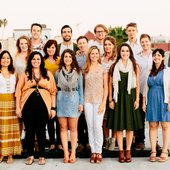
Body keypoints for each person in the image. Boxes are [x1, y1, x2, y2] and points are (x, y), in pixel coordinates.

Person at [15, 51, 56, 165]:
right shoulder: (26, 74)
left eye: (38, 59)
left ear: (41, 61)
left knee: (41, 130)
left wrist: (53, 108)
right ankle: (30, 155)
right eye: (33, 59)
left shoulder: (47, 73)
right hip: (28, 105)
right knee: (29, 131)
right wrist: (18, 108)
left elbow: (53, 92)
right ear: (30, 61)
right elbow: (18, 91)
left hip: (43, 105)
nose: (36, 61)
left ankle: (42, 155)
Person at [107, 43, 143, 163]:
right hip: (117, 98)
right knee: (118, 126)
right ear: (119, 52)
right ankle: (121, 151)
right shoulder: (113, 66)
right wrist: (110, 100)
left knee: (129, 125)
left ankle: (128, 150)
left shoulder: (134, 66)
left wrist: (137, 99)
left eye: (127, 51)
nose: (125, 53)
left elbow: (137, 84)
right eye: (122, 51)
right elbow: (110, 85)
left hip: (130, 97)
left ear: (130, 53)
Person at [55, 49, 83, 163]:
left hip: (74, 100)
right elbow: (56, 88)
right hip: (61, 100)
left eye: (69, 57)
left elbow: (81, 89)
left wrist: (81, 102)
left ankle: (73, 152)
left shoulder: (78, 72)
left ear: (73, 59)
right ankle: (66, 153)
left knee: (73, 128)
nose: (67, 59)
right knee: (63, 128)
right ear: (63, 58)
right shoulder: (57, 73)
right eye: (65, 57)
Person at [143, 48, 170, 162]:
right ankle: (153, 150)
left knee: (165, 125)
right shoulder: (149, 71)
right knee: (153, 125)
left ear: (163, 57)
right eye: (155, 55)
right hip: (152, 100)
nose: (157, 57)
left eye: (159, 55)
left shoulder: (168, 71)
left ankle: (164, 151)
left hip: (164, 100)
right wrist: (144, 102)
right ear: (152, 57)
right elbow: (145, 88)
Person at [84, 46, 108, 163]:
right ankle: (93, 151)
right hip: (88, 101)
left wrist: (104, 103)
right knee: (90, 126)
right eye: (92, 54)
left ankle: (99, 151)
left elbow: (106, 88)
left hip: (99, 101)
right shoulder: (86, 69)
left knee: (98, 126)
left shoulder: (103, 69)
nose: (94, 55)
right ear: (89, 55)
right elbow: (83, 86)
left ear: (99, 55)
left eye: (96, 54)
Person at [0, 50, 22, 164]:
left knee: (11, 129)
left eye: (8, 58)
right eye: (3, 58)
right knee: (1, 129)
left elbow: (18, 90)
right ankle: (1, 153)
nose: (5, 60)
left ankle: (9, 154)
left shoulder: (15, 73)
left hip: (12, 103)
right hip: (0, 103)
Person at [134, 34, 153, 150]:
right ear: (140, 43)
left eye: (146, 41)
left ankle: (154, 141)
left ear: (150, 42)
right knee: (140, 117)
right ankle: (140, 140)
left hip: (153, 90)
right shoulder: (137, 57)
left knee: (152, 117)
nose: (144, 44)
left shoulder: (155, 55)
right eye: (142, 42)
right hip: (140, 89)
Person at [43, 39, 62, 151]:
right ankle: (52, 142)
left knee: (59, 119)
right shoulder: (43, 60)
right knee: (50, 118)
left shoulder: (60, 60)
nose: (51, 49)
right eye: (49, 47)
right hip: (47, 93)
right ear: (46, 48)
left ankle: (59, 142)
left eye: (53, 47)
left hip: (60, 93)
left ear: (56, 49)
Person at [102, 35, 117, 151]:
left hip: (115, 91)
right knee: (104, 118)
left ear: (113, 46)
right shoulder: (100, 59)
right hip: (102, 91)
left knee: (115, 117)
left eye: (109, 44)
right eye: (105, 44)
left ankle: (114, 140)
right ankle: (107, 139)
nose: (107, 46)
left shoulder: (117, 59)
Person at [75, 36, 90, 152]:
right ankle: (81, 142)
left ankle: (90, 142)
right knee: (80, 118)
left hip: (90, 89)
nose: (82, 45)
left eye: (83, 43)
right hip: (79, 89)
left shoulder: (93, 55)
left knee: (89, 118)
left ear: (87, 43)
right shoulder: (76, 58)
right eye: (80, 43)